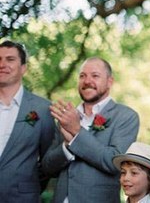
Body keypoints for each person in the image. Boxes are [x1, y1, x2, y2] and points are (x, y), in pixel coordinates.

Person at [42, 56, 140, 203]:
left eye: (95, 76)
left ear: (109, 82)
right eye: (82, 76)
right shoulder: (66, 117)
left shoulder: (126, 116)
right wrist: (67, 147)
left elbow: (115, 163)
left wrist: (76, 132)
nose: (87, 81)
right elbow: (47, 167)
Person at [0, 40, 56, 202]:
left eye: (10, 59)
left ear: (23, 68)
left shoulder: (43, 109)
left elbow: (48, 162)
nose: (2, 64)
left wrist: (28, 184)